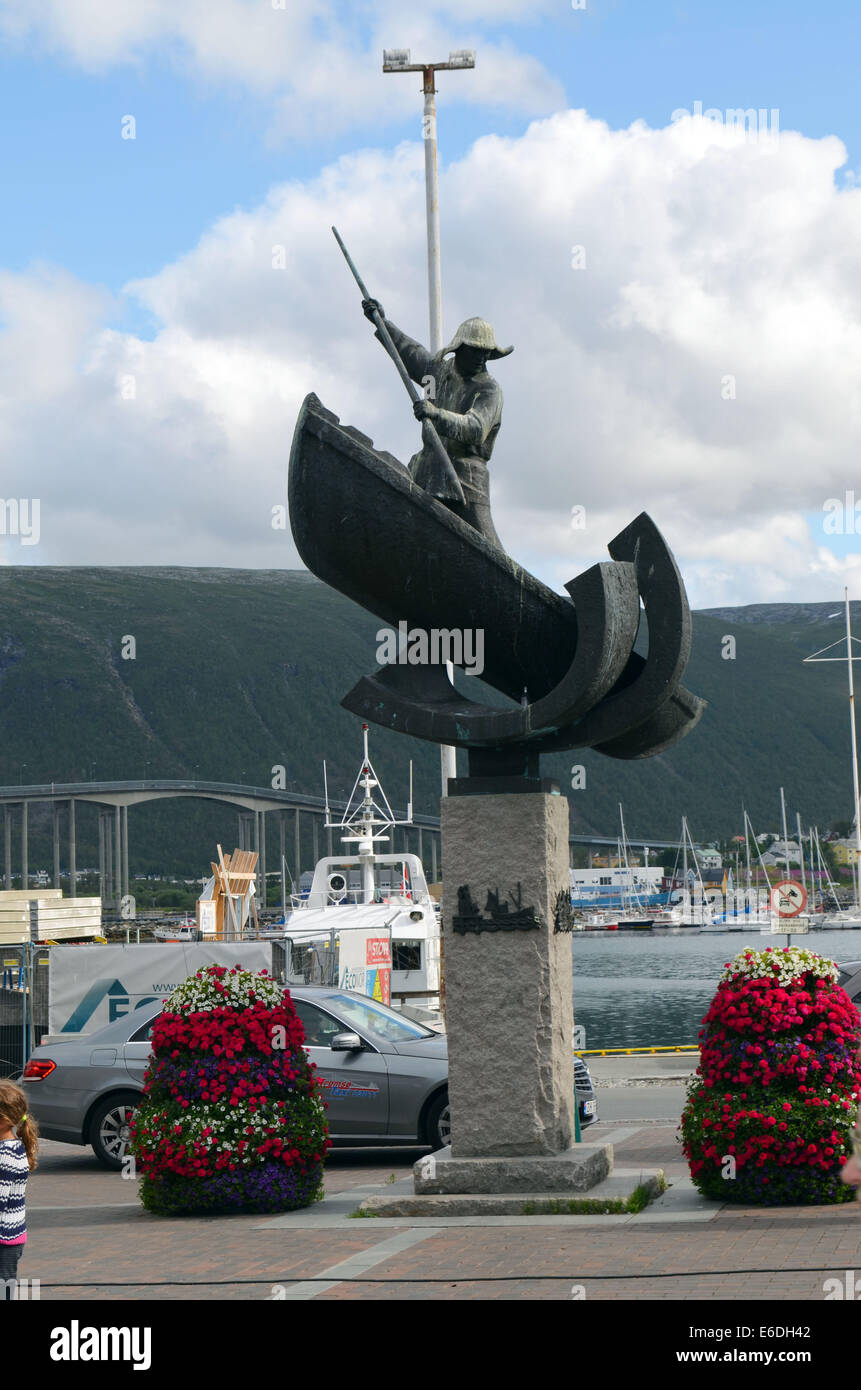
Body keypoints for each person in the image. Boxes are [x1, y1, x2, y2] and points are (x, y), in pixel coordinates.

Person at [361, 298, 512, 547]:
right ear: (460, 347)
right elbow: (410, 353)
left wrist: (435, 414)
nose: (481, 358)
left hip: (466, 481)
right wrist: (382, 322)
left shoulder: (489, 389)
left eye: (486, 352)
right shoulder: (438, 373)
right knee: (412, 534)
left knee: (486, 546)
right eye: (475, 350)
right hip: (428, 473)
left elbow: (475, 429)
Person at [0, 1080, 37, 1300]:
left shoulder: (6, 1154)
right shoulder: (13, 1147)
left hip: (3, 1240)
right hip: (10, 1238)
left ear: (4, 1120)